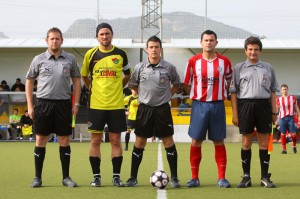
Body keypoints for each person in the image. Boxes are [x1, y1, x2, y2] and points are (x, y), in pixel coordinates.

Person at [25, 27, 81, 188]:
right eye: (52, 38)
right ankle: (37, 178)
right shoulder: (38, 59)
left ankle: (66, 178)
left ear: (62, 41)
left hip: (63, 104)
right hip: (43, 104)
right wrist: (30, 105)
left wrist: (76, 104)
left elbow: (77, 81)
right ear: (47, 41)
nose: (54, 41)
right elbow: (29, 81)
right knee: (41, 139)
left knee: (64, 139)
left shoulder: (70, 59)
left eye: (57, 38)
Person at [125, 35, 181, 188]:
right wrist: (143, 94)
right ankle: (133, 178)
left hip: (163, 109)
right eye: (151, 47)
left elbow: (176, 83)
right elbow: (133, 84)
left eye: (157, 47)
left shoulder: (169, 67)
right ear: (147, 49)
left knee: (168, 141)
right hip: (144, 109)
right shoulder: (139, 67)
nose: (154, 49)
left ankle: (175, 178)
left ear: (161, 49)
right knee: (140, 141)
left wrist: (169, 94)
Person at [81, 23, 131, 187]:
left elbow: (127, 75)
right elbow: (85, 77)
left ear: (112, 35)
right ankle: (96, 177)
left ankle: (116, 177)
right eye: (101, 34)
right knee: (95, 141)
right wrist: (93, 89)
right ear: (97, 36)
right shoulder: (90, 54)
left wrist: (119, 88)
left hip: (116, 105)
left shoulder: (121, 54)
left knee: (115, 140)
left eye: (107, 34)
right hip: (96, 106)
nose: (104, 36)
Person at [182, 30, 232, 188]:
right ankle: (194, 178)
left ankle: (221, 178)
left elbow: (229, 81)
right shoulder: (192, 61)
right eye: (206, 40)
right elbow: (186, 83)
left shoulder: (225, 61)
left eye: (211, 40)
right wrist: (197, 95)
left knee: (219, 140)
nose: (208, 42)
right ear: (201, 43)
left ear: (216, 43)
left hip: (217, 104)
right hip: (199, 105)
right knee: (196, 140)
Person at [230, 36, 279, 188]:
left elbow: (272, 91)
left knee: (264, 141)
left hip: (264, 106)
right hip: (245, 105)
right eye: (250, 49)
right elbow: (233, 92)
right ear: (245, 51)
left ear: (260, 51)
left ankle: (265, 177)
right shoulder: (238, 68)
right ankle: (246, 177)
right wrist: (235, 113)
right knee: (246, 141)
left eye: (256, 50)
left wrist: (274, 112)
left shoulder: (268, 68)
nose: (253, 52)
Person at [276, 84, 300, 154]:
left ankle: (294, 145)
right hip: (282, 118)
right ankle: (284, 149)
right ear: (281, 91)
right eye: (283, 89)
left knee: (293, 134)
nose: (284, 91)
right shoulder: (278, 99)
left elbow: (296, 107)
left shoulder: (292, 98)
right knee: (283, 134)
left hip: (290, 118)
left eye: (286, 89)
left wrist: (299, 116)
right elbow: (276, 109)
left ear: (287, 90)